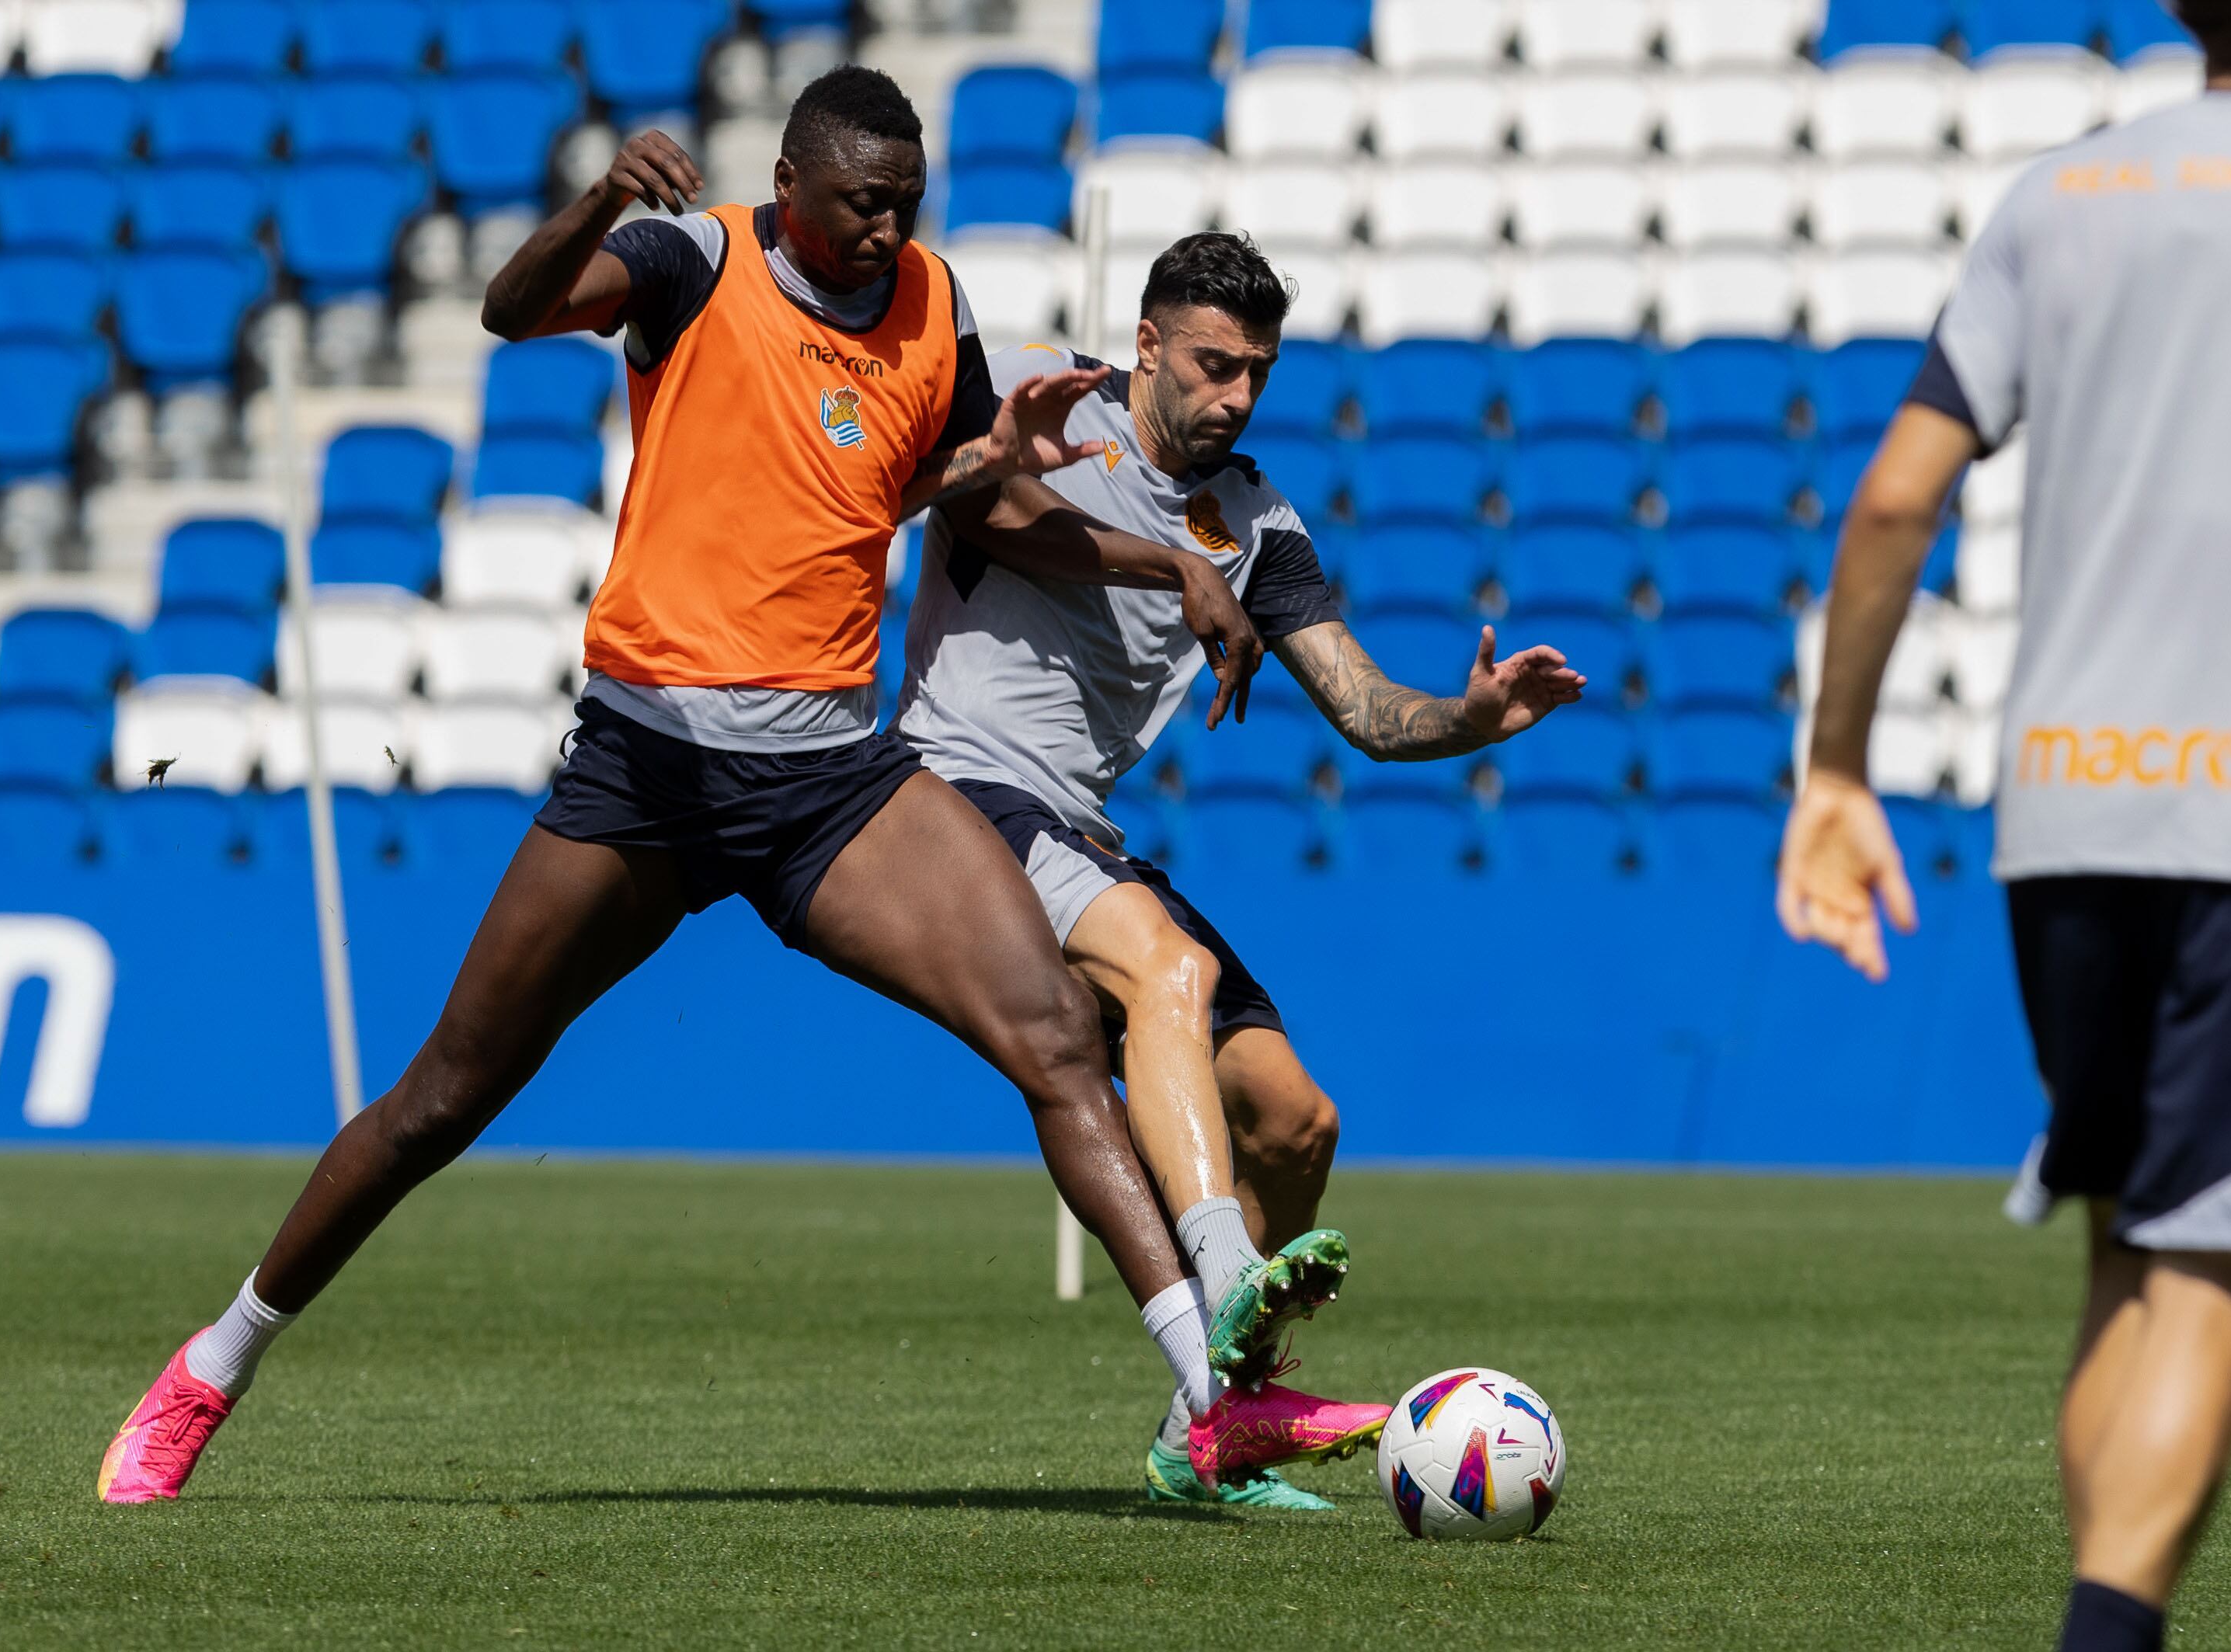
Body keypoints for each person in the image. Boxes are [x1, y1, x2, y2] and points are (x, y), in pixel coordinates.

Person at [98, 69, 1386, 1505]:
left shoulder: (932, 303)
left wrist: (1164, 554)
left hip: (829, 776)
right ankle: (214, 1363)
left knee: (1053, 1039)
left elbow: (991, 506)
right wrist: (597, 198)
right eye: (859, 205)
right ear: (790, 187)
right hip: (647, 766)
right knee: (446, 1095)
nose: (887, 231)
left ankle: (1212, 1400)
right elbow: (513, 311)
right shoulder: (692, 258)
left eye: (906, 204)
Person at [1774, 6, 2231, 1647]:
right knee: (2225, 1266)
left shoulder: (2061, 197)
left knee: (2131, 1242)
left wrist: (1835, 770)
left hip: (2067, 815)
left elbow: (1895, 496)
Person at [895, 232, 1587, 1507]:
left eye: (1258, 372)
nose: (1236, 395)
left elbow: (1372, 716)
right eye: (1214, 364)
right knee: (1172, 964)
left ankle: (1198, 1437)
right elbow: (974, 499)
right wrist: (1165, 567)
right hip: (949, 795)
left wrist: (1470, 718)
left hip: (1075, 828)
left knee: (1296, 1118)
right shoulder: (1050, 400)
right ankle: (1228, 1316)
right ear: (1148, 342)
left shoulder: (1257, 525)